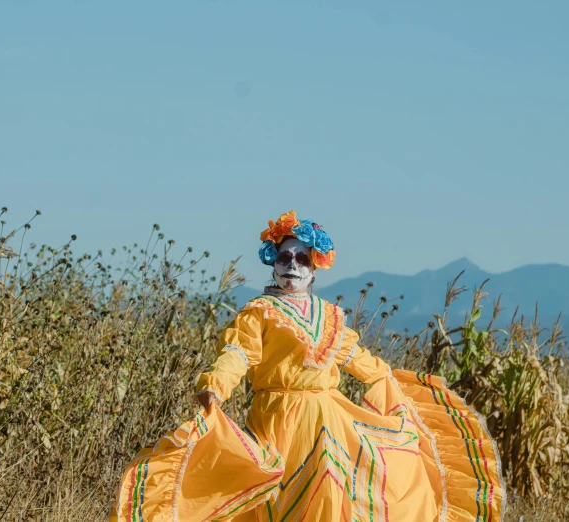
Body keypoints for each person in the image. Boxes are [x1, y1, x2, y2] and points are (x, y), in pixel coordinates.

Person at [110, 211, 505, 522]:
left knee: (333, 491)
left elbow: (357, 359)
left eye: (302, 258)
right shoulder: (259, 312)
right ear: (274, 265)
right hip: (278, 419)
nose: (293, 266)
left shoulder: (330, 315)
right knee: (277, 501)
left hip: (329, 419)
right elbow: (239, 354)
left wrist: (395, 387)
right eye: (285, 257)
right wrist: (217, 384)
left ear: (314, 268)